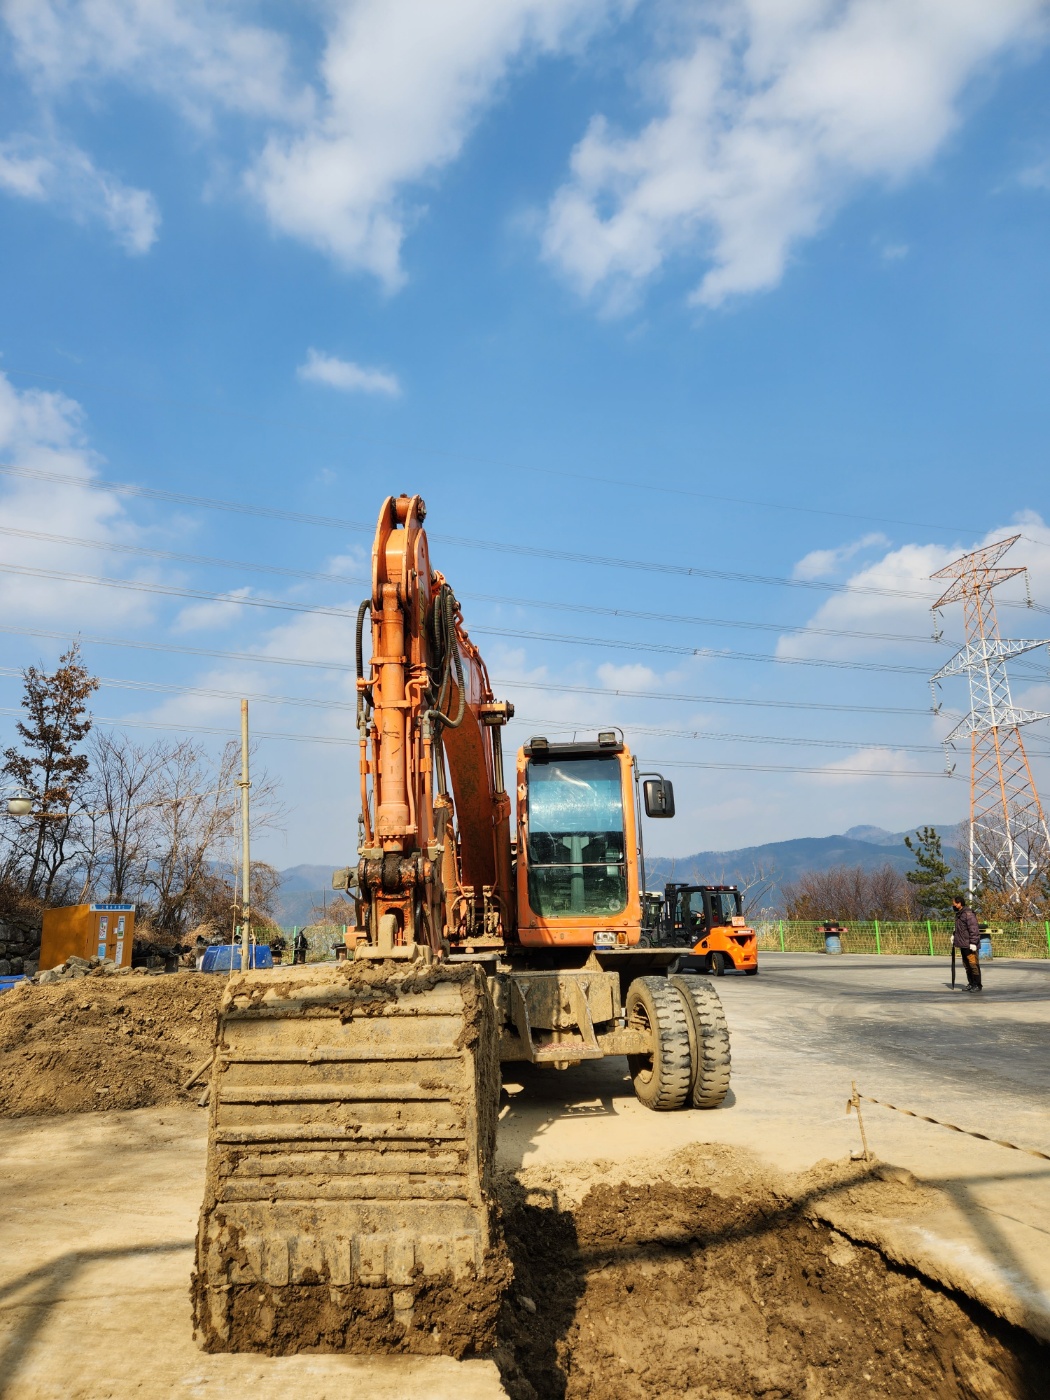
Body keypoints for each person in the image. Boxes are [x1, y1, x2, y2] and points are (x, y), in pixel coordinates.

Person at [951, 896, 982, 993]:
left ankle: (977, 985)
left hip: (970, 944)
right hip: (963, 944)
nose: (953, 906)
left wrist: (973, 943)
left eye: (954, 904)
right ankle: (971, 983)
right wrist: (954, 935)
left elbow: (974, 929)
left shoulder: (968, 914)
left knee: (973, 965)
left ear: (959, 903)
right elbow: (960, 929)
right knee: (967, 965)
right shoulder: (960, 914)